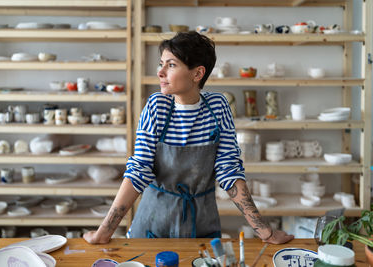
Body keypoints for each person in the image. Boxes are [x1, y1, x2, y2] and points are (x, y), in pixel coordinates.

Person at [84, 31, 294, 244]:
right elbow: (139, 170)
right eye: (161, 64)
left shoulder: (218, 106)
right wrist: (105, 231)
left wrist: (264, 231)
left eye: (171, 65)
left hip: (201, 223)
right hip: (154, 224)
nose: (160, 72)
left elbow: (229, 170)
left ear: (197, 74)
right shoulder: (157, 106)